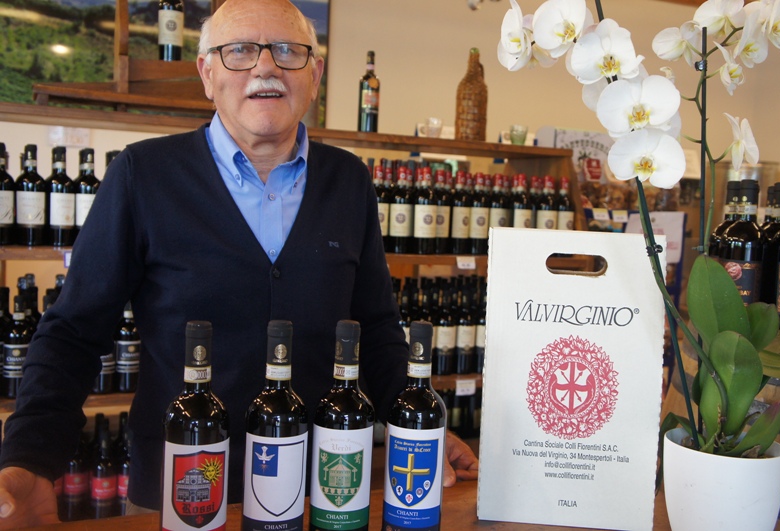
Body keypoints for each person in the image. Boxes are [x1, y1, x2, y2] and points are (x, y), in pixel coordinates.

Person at [0, 0, 478, 527]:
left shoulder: (349, 181)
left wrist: (417, 428)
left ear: (314, 75)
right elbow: (73, 333)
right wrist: (29, 459)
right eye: (241, 50)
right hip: (181, 492)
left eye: (288, 51)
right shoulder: (143, 175)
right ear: (207, 73)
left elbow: (377, 329)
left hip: (322, 492)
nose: (265, 66)